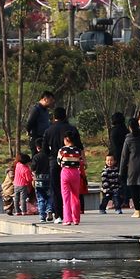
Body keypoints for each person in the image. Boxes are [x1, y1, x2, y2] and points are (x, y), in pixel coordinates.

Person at [48, 107, 86, 225]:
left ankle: (65, 218)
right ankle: (76, 219)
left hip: (63, 171)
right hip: (75, 173)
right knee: (75, 196)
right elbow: (81, 158)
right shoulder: (76, 149)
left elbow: (58, 160)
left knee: (64, 196)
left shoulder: (50, 131)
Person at [26, 92, 57, 220]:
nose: (52, 103)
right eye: (51, 101)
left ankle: (46, 211)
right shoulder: (36, 109)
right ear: (45, 99)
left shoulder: (44, 110)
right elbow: (29, 123)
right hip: (37, 138)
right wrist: (31, 134)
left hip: (44, 138)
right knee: (38, 159)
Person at [104, 112, 132, 212]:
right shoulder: (126, 130)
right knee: (125, 180)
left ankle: (117, 202)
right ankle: (126, 201)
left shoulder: (113, 131)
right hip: (126, 158)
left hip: (116, 158)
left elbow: (113, 146)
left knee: (115, 181)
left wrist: (111, 159)